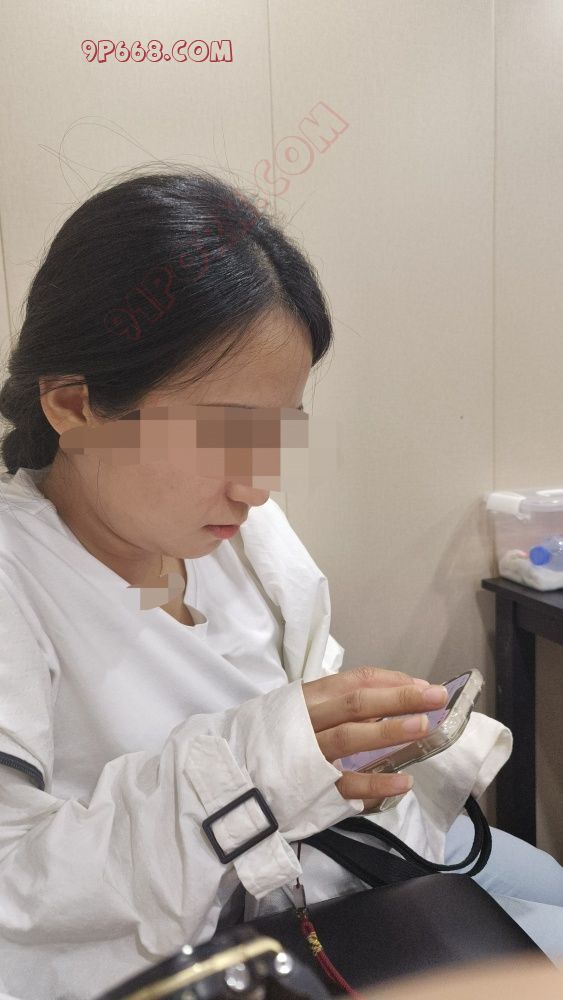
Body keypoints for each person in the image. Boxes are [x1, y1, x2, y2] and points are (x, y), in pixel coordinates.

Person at [0, 170, 561, 1000]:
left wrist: (367, 740)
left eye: (273, 434)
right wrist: (260, 765)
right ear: (73, 405)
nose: (256, 485)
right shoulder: (19, 582)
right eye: (221, 436)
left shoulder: (243, 539)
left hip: (336, 873)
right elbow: (19, 899)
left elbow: (305, 697)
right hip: (201, 952)